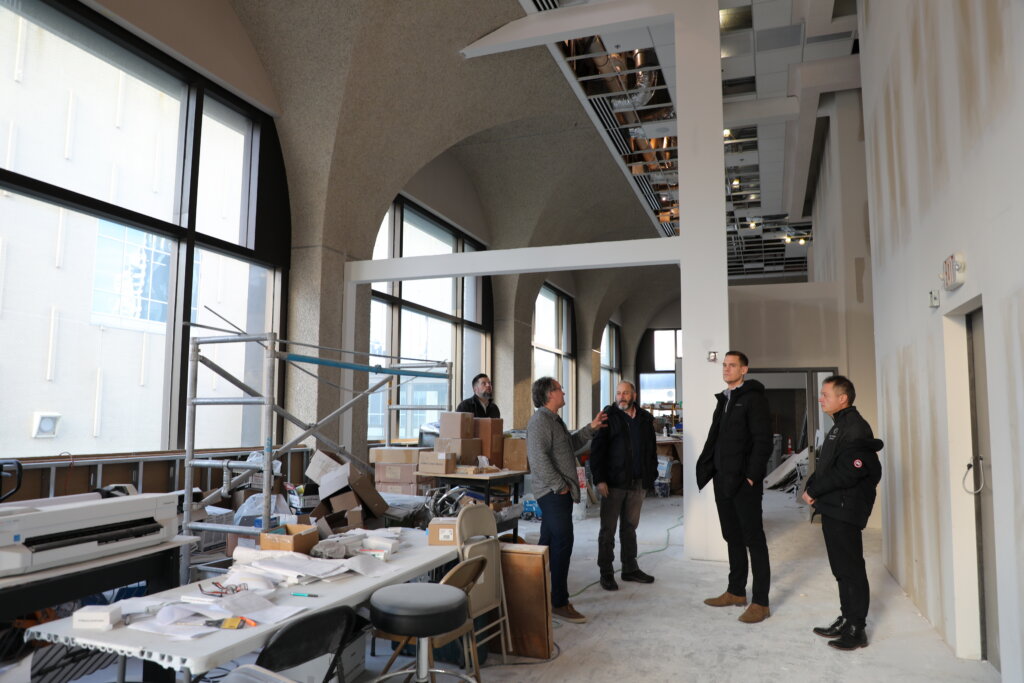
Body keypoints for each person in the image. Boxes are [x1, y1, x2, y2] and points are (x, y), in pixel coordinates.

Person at [802, 375, 883, 651]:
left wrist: (814, 490)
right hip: (834, 506)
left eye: (825, 394)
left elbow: (849, 472)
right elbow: (829, 466)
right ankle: (847, 618)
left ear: (843, 398)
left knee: (851, 568)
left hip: (846, 508)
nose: (820, 399)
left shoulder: (856, 428)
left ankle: (857, 628)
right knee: (841, 569)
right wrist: (812, 485)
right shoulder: (840, 425)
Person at [695, 350, 773, 624]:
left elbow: (763, 441)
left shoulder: (753, 399)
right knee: (732, 536)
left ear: (744, 370)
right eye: (724, 365)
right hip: (723, 480)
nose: (726, 369)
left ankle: (761, 602)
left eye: (732, 365)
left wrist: (751, 476)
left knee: (754, 539)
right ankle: (736, 591)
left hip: (743, 483)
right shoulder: (725, 400)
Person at [526, 376, 607, 624]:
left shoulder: (554, 420)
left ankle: (532, 595)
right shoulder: (540, 422)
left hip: (557, 492)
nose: (563, 392)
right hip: (552, 493)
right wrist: (560, 486)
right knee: (563, 542)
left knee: (548, 544)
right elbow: (538, 459)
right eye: (560, 389)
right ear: (549, 394)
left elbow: (570, 444)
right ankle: (559, 602)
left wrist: (591, 427)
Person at [589, 380, 658, 591]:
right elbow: (597, 451)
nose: (622, 397)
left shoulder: (645, 419)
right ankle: (606, 572)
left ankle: (629, 568)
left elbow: (651, 450)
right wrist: (600, 479)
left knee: (630, 528)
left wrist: (651, 474)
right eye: (618, 393)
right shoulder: (608, 417)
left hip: (638, 483)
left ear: (634, 395)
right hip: (613, 483)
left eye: (626, 393)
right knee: (608, 530)